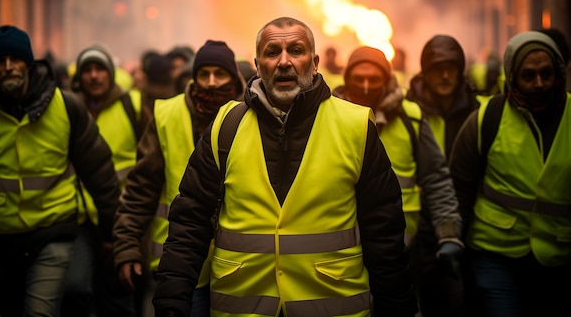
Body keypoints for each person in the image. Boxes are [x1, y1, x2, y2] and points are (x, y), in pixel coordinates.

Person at [152, 17, 418, 317]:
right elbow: (189, 222)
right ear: (257, 65)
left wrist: (397, 308)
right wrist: (170, 302)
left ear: (314, 62)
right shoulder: (225, 126)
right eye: (271, 52)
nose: (283, 61)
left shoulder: (355, 126)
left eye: (296, 50)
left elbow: (384, 234)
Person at [0, 25, 121, 317]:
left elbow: (100, 173)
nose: (8, 67)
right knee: (9, 309)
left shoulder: (66, 106)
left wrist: (111, 232)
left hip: (52, 235)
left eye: (15, 59)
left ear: (28, 62)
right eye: (0, 61)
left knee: (39, 313)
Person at [114, 39, 245, 317]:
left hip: (240, 266)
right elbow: (140, 189)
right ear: (193, 77)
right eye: (203, 74)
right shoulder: (166, 115)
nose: (211, 82)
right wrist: (126, 246)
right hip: (179, 264)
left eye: (219, 74)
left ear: (234, 78)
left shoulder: (255, 115)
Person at [334, 46, 464, 315]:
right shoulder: (326, 117)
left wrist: (448, 232)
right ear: (346, 79)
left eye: (375, 79)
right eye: (359, 79)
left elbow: (437, 178)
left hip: (404, 251)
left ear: (388, 79)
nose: (367, 87)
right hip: (339, 253)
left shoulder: (411, 117)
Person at [450, 30, 571, 316]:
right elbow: (459, 186)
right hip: (495, 256)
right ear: (512, 75)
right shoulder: (487, 117)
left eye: (546, 73)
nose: (539, 83)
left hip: (559, 258)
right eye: (529, 75)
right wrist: (453, 239)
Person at [62, 45, 151, 317]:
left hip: (124, 216)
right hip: (81, 218)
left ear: (110, 75)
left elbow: (150, 159)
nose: (94, 76)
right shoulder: (67, 109)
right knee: (75, 288)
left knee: (122, 292)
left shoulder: (131, 105)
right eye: (87, 70)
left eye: (100, 69)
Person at [405, 34, 480, 317]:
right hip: (417, 227)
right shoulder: (409, 112)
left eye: (452, 67)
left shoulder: (478, 111)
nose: (446, 75)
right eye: (438, 68)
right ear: (425, 71)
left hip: (468, 224)